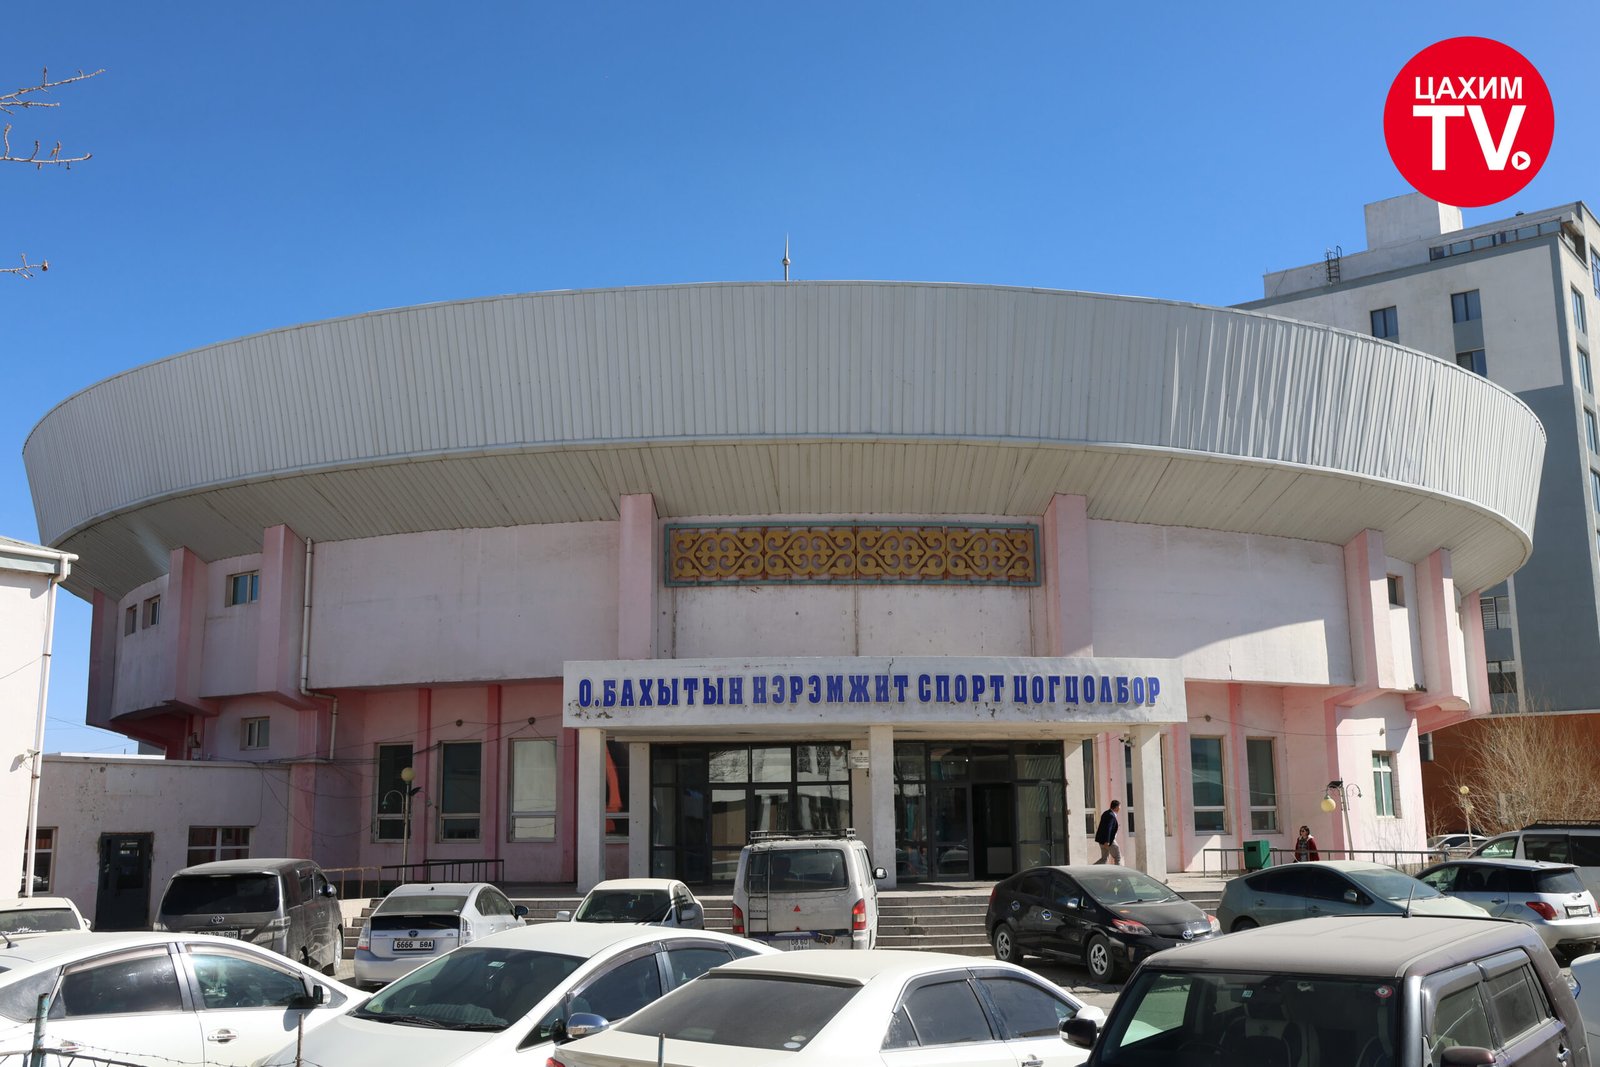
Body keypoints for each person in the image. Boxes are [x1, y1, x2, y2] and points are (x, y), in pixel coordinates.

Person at [1094, 800, 1122, 865]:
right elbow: (1108, 828)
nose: (1120, 808)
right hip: (1109, 841)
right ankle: (1119, 871)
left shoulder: (1106, 813)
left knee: (1104, 859)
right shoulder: (1111, 816)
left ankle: (1091, 869)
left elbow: (1105, 827)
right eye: (1119, 806)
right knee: (1117, 857)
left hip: (1101, 840)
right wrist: (1107, 841)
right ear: (1117, 807)